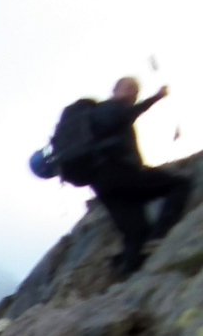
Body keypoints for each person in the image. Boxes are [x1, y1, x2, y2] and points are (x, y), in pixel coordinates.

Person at [81, 78, 191, 276]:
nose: (133, 93)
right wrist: (156, 97)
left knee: (136, 234)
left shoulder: (102, 116)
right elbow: (124, 116)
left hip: (105, 184)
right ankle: (160, 236)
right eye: (128, 88)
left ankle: (126, 272)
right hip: (118, 173)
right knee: (178, 184)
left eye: (136, 91)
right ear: (114, 90)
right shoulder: (107, 109)